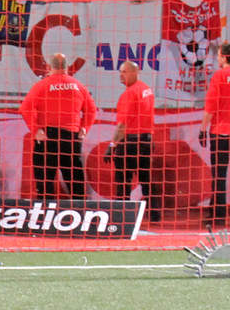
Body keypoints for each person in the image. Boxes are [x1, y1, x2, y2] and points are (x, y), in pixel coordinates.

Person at [18, 53, 96, 201]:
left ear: (49, 67)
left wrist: (36, 130)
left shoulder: (42, 85)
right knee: (75, 181)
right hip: (71, 138)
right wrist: (84, 128)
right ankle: (80, 211)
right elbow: (91, 110)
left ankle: (46, 211)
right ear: (67, 67)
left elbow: (25, 108)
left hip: (48, 138)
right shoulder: (79, 86)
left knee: (45, 180)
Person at [105, 60, 157, 222]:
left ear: (135, 72)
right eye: (120, 72)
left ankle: (122, 216)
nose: (121, 75)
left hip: (130, 143)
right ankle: (155, 214)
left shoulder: (129, 94)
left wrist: (112, 145)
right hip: (146, 141)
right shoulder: (147, 89)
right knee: (146, 179)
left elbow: (122, 125)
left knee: (123, 180)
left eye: (124, 72)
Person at [202, 42, 230, 226]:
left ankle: (218, 216)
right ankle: (215, 211)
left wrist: (202, 129)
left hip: (221, 132)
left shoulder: (219, 76)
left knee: (219, 175)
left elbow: (211, 106)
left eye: (219, 55)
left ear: (224, 57)